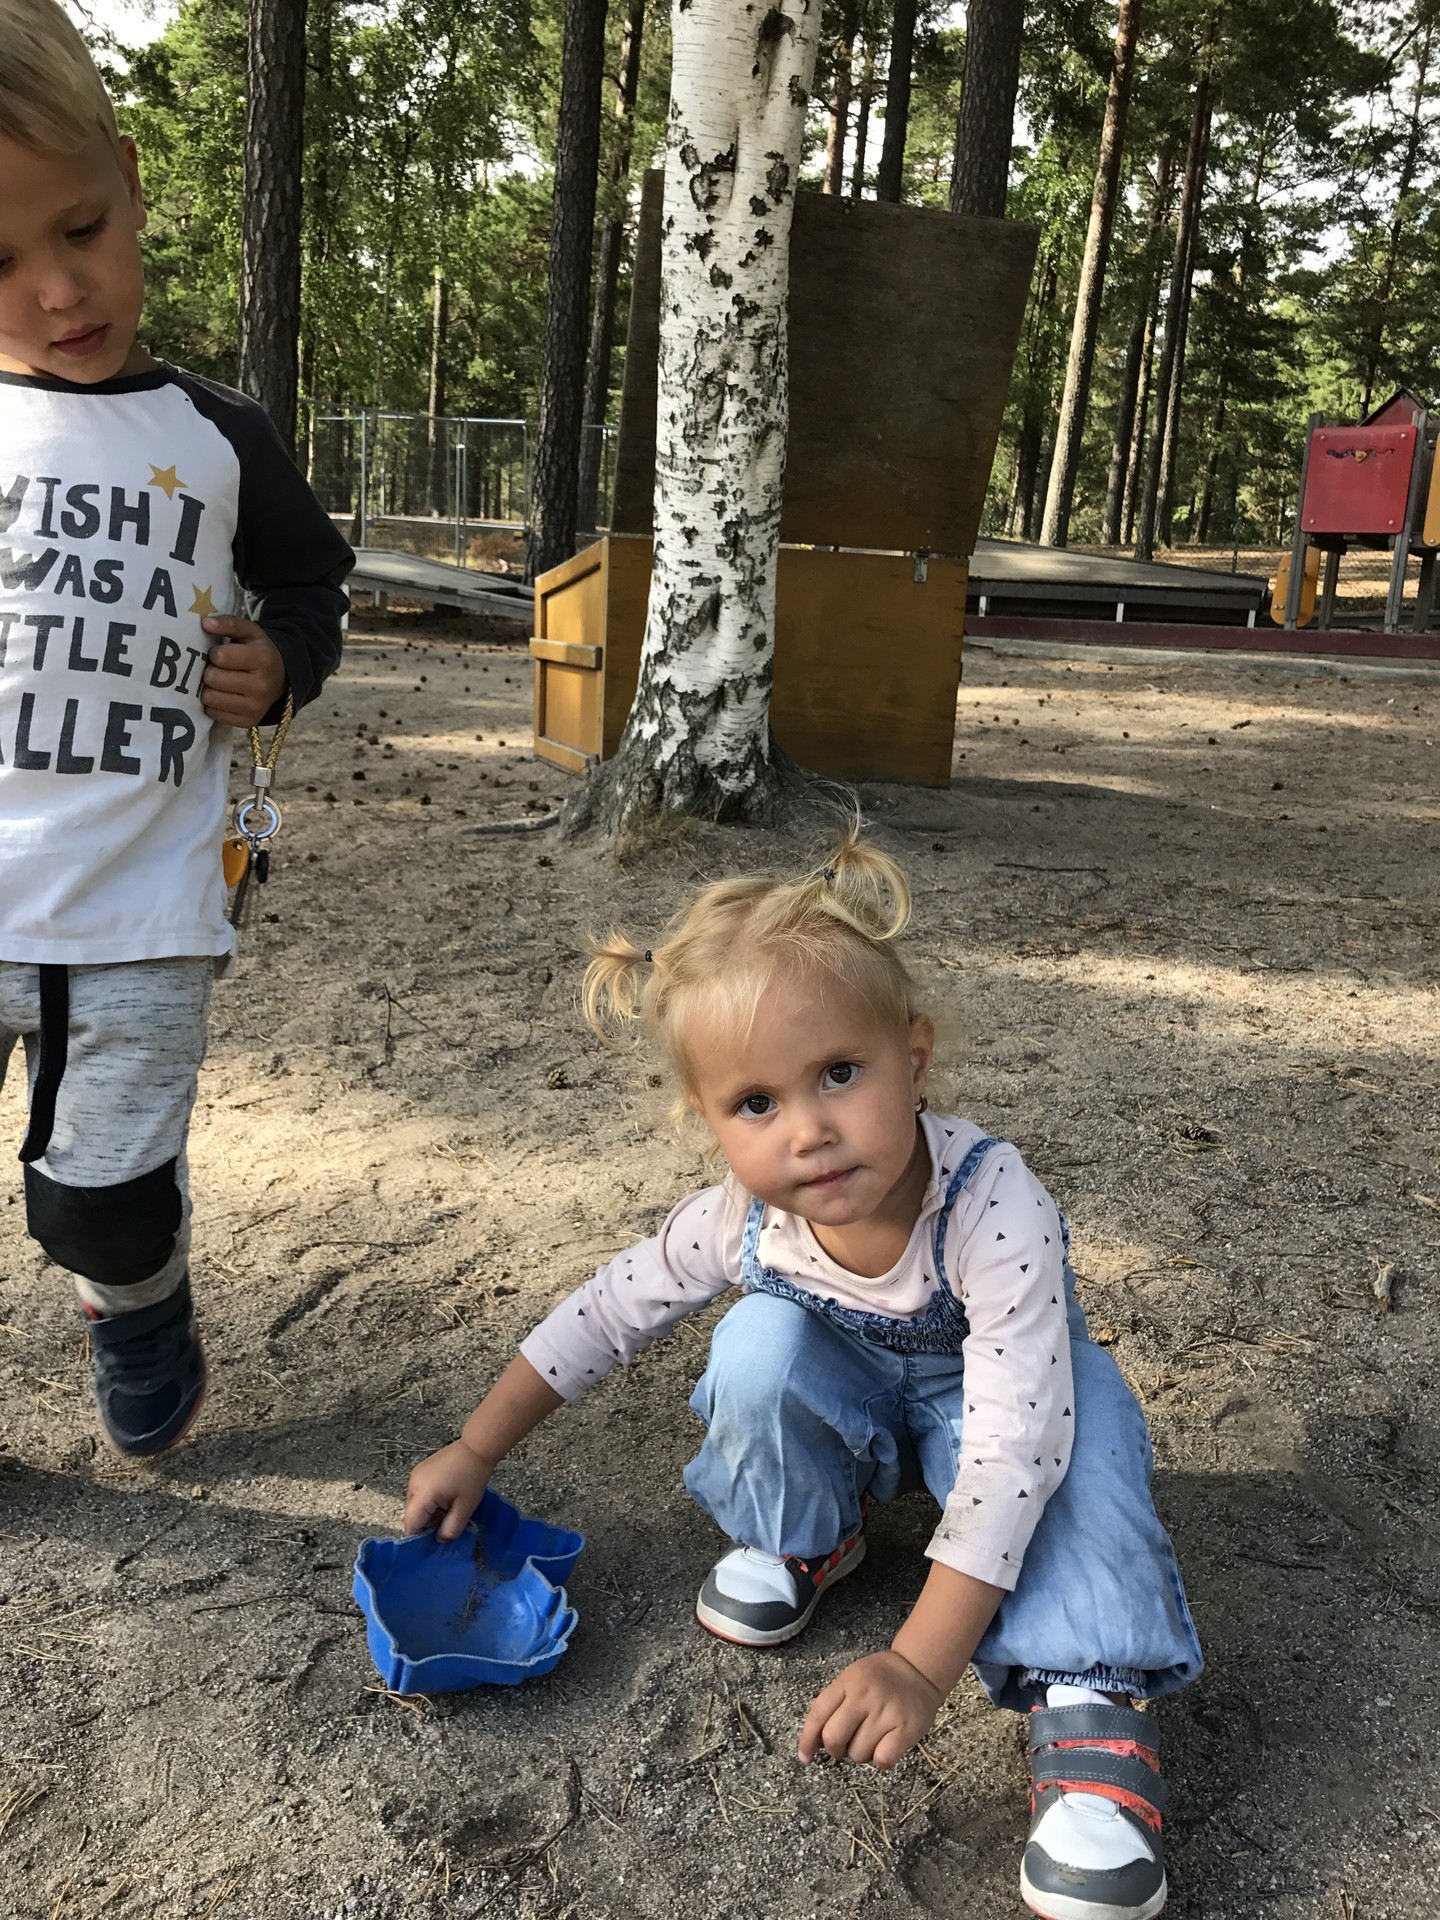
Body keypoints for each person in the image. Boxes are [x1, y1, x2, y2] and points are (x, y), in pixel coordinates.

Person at [405, 828, 1202, 1920]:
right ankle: (807, 1530)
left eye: (838, 1073)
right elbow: (605, 1314)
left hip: (1000, 1406)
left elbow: (1014, 1450)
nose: (811, 1132)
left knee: (1081, 1447)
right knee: (760, 1342)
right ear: (709, 1122)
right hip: (855, 1394)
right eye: (757, 1104)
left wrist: (917, 1665)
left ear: (913, 1058)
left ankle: (1091, 1712)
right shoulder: (743, 1217)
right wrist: (475, 1446)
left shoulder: (993, 1202)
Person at [0, 0, 352, 1455]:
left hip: (143, 908)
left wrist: (282, 660)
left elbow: (312, 583)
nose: (56, 290)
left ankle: (138, 1305)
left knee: (102, 1202)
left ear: (132, 182)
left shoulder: (217, 436)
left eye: (81, 228)